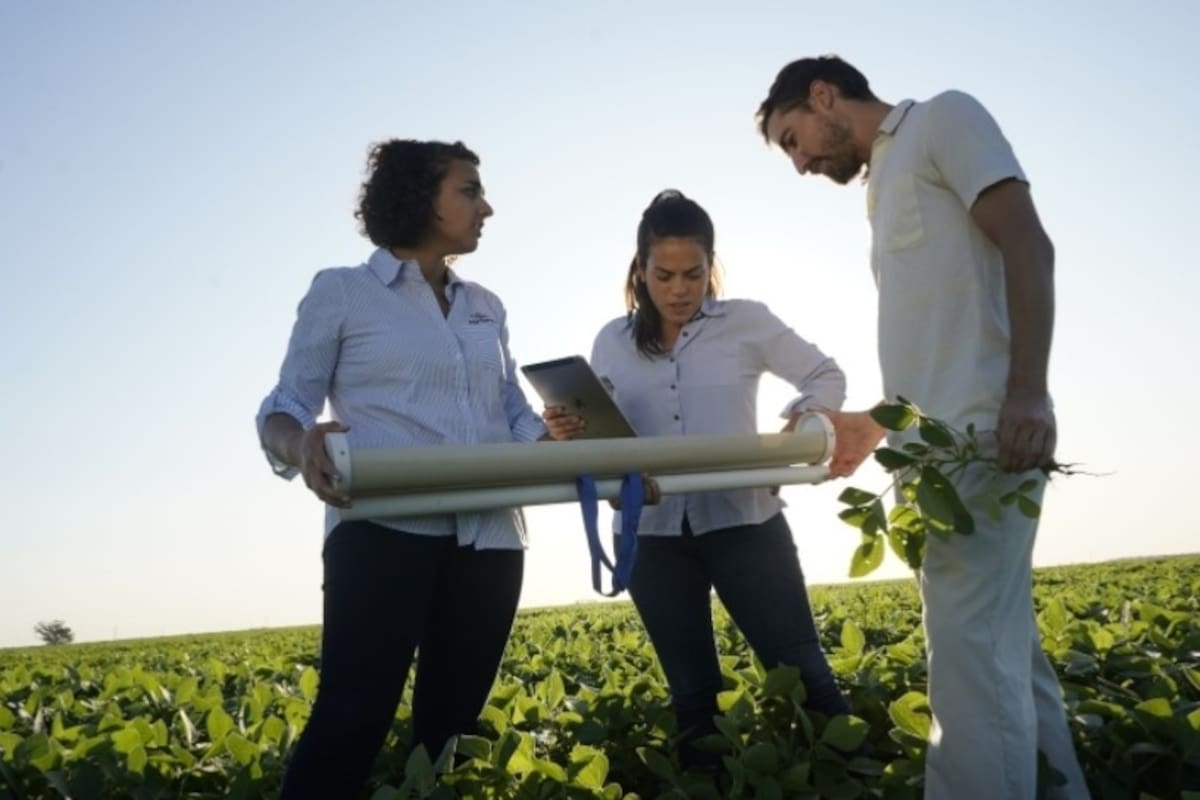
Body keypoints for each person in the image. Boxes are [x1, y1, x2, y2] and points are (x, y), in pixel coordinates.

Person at [756, 56, 1090, 799]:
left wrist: (1029, 395)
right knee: (1007, 658)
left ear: (822, 95)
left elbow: (1029, 245)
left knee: (971, 664)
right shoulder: (882, 184)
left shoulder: (943, 116)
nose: (801, 162)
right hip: (930, 458)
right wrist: (872, 424)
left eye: (792, 139)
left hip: (983, 445)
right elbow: (937, 350)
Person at [255, 139, 547, 799]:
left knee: (453, 735)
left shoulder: (485, 307)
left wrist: (566, 440)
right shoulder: (343, 293)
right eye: (469, 190)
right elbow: (283, 407)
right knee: (351, 719)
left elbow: (513, 413)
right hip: (383, 530)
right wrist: (301, 445)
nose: (487, 207)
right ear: (421, 198)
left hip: (491, 537)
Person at [543, 190, 853, 770]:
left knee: (806, 674)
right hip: (652, 534)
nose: (681, 289)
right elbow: (600, 436)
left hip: (747, 524)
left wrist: (799, 425)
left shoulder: (747, 321)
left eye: (694, 273)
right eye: (664, 275)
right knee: (692, 698)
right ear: (640, 270)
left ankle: (855, 779)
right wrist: (571, 430)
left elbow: (824, 373)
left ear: (712, 266)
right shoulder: (611, 342)